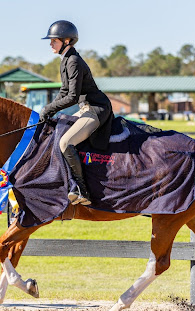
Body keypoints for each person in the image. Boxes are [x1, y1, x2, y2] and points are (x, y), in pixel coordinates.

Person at [40, 20, 114, 206]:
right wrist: (50, 109)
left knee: (66, 142)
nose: (50, 44)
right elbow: (64, 92)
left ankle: (81, 189)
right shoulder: (65, 60)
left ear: (66, 40)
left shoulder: (73, 61)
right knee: (59, 134)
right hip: (85, 108)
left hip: (96, 109)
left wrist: (49, 108)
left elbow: (72, 97)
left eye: (53, 40)